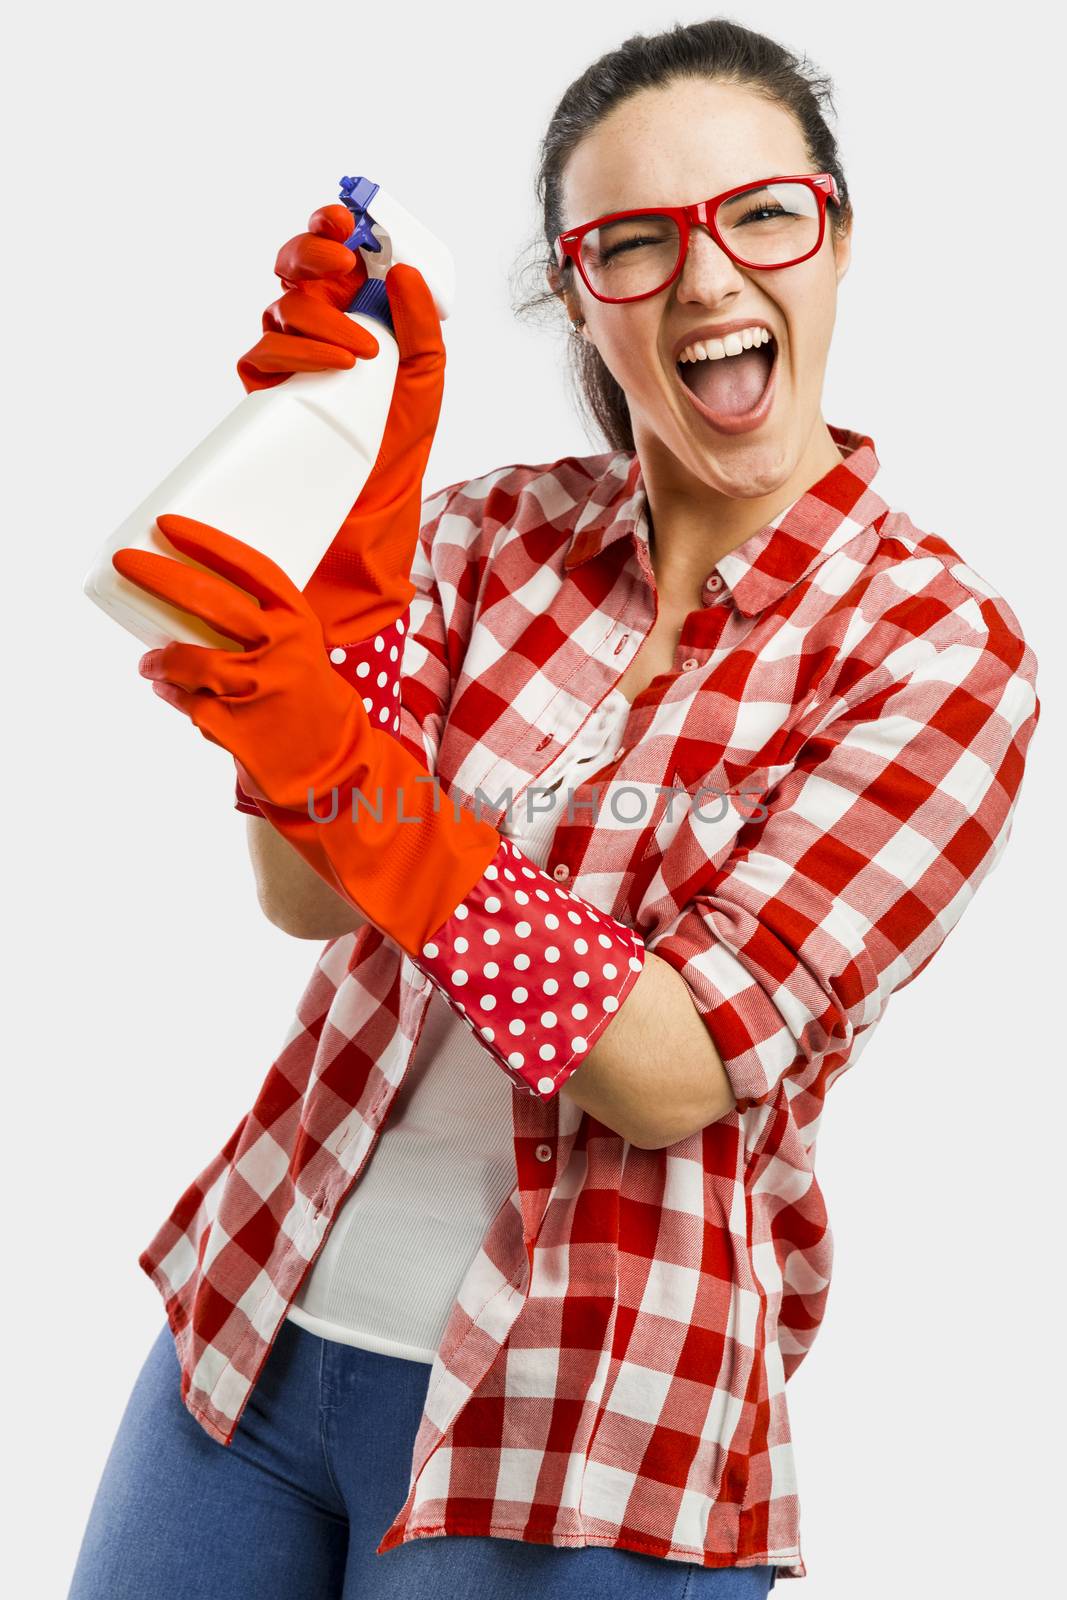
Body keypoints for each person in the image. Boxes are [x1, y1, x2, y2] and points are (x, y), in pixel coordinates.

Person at [67, 17, 1039, 1599]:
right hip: (252, 1326)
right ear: (580, 294)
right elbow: (308, 897)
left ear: (839, 235)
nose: (712, 281)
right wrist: (333, 548)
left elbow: (670, 1067)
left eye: (762, 215)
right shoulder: (491, 533)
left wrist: (354, 780)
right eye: (636, 245)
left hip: (592, 1418)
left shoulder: (935, 652)